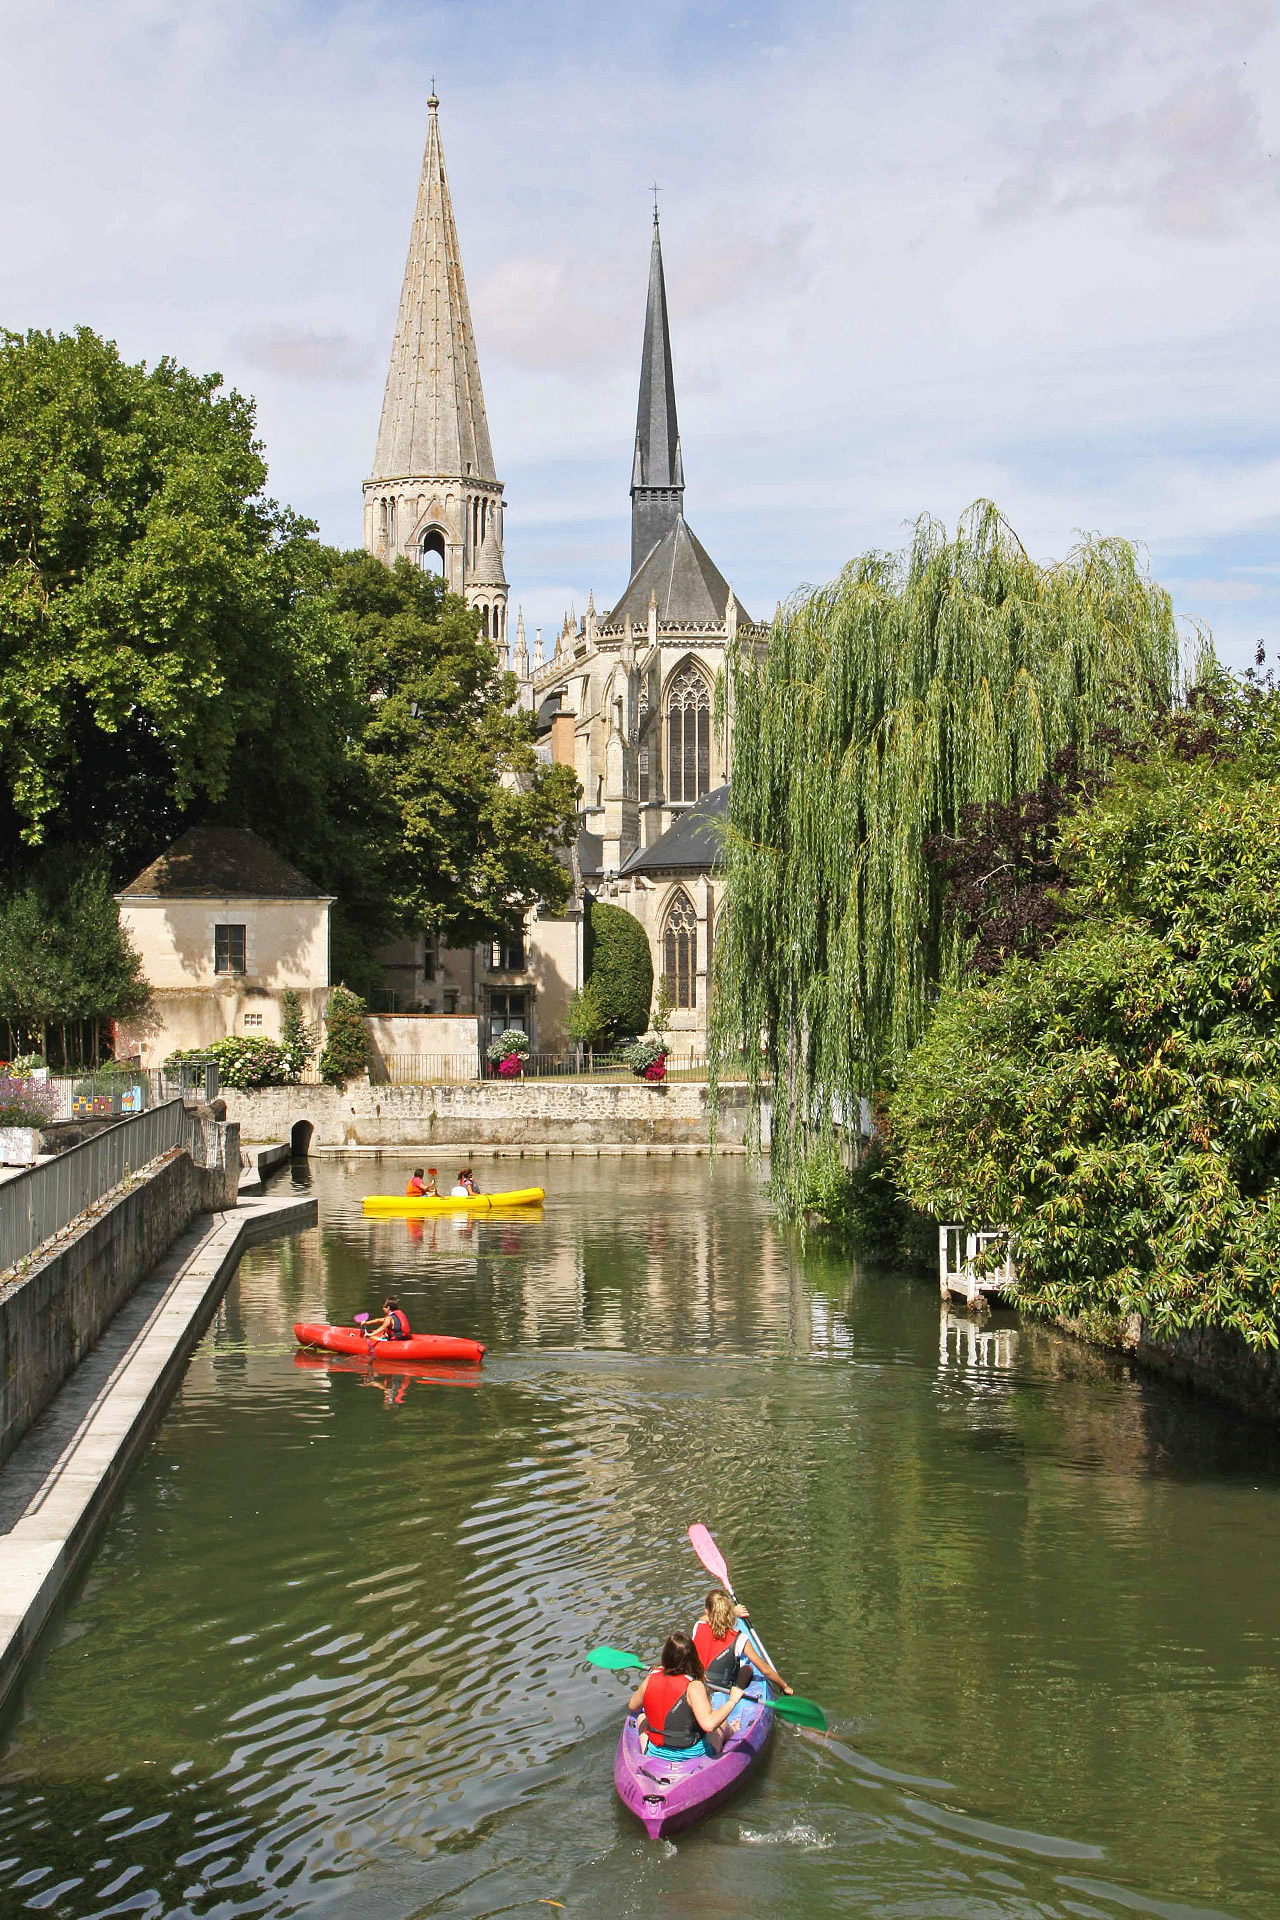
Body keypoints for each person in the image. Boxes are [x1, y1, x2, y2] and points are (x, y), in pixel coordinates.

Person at [627, 1630, 744, 1755]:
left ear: (665, 1657)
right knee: (722, 1724)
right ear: (692, 1658)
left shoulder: (650, 1678)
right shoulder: (694, 1686)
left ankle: (644, 1754)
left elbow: (633, 1706)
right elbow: (709, 1725)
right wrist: (732, 1700)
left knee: (641, 1716)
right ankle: (732, 1730)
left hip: (656, 1752)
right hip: (692, 1755)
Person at [693, 1590, 792, 1695]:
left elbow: (705, 1618)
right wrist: (784, 1686)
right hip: (723, 1690)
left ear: (707, 1611)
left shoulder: (698, 1626)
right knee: (747, 1668)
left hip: (700, 1687)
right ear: (729, 1611)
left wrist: (732, 1612)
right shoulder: (739, 1638)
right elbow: (765, 1670)